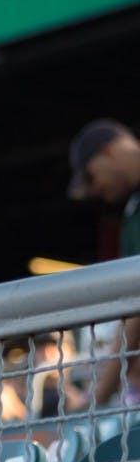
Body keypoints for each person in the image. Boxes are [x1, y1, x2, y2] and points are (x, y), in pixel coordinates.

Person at [66, 119, 140, 406]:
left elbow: (135, 309)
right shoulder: (133, 212)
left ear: (109, 152)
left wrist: (98, 395)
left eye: (92, 176)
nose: (95, 189)